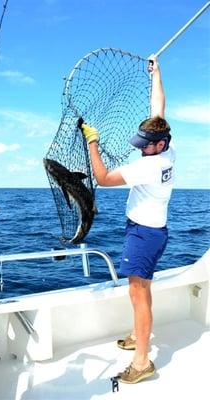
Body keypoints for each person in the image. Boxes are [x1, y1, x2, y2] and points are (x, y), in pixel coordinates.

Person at [80, 56, 175, 384]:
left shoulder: (148, 166)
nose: (141, 150)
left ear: (159, 144)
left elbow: (104, 178)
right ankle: (140, 334)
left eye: (145, 147)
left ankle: (142, 362)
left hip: (143, 235)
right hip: (154, 231)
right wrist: (157, 73)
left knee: (138, 293)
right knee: (142, 289)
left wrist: (92, 142)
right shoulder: (165, 149)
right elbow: (158, 106)